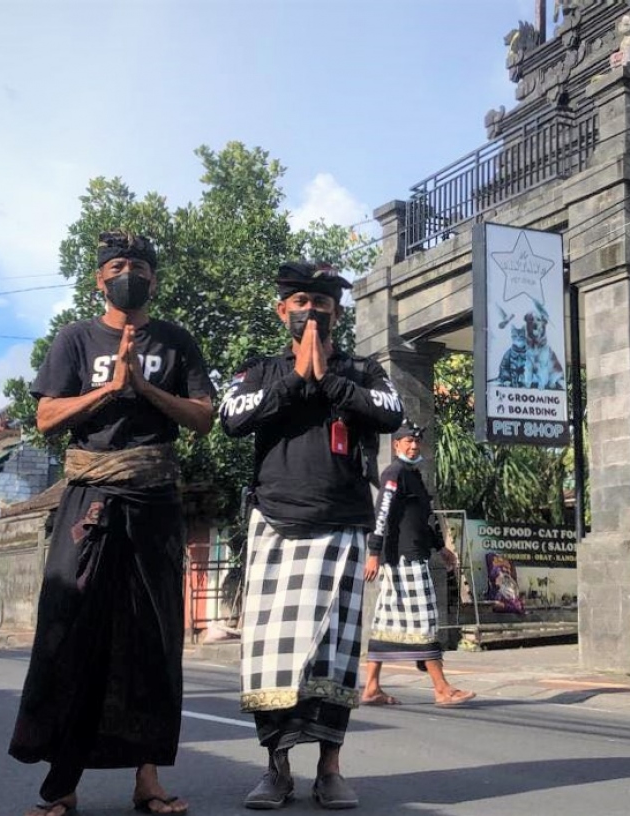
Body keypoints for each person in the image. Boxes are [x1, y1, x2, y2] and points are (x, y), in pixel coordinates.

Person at [9, 231, 214, 816]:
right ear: (99, 278)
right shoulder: (75, 338)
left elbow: (203, 416)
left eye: (141, 266)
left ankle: (147, 780)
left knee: (153, 639)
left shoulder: (176, 341)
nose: (131, 273)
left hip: (154, 501)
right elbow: (47, 416)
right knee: (71, 632)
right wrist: (107, 390)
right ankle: (61, 785)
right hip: (89, 501)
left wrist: (144, 388)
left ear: (154, 279)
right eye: (119, 265)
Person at [221, 260, 405, 811]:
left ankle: (329, 768)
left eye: (322, 302)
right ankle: (275, 770)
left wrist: (328, 379)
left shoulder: (364, 370)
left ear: (337, 312)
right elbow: (233, 418)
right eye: (301, 301)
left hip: (344, 526)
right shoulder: (258, 371)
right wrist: (297, 376)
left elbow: (390, 413)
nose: (311, 310)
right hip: (275, 525)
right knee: (270, 660)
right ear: (283, 311)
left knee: (334, 657)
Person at [361, 423, 476, 709]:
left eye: (417, 442)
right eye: (409, 441)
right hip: (403, 560)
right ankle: (442, 688)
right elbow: (381, 515)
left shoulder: (414, 476)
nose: (414, 446)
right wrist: (373, 552)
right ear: (396, 444)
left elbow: (426, 518)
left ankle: (372, 688)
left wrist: (440, 548)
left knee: (385, 624)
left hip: (413, 556)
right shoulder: (394, 473)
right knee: (425, 621)